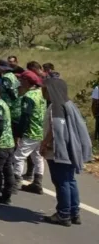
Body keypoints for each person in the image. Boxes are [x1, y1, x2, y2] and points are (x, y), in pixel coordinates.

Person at [40, 78, 93, 226]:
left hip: (59, 150)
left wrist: (44, 144)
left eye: (45, 89)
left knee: (61, 181)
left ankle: (63, 214)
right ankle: (74, 212)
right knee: (70, 180)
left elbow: (56, 129)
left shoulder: (56, 106)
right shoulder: (69, 104)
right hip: (72, 147)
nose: (43, 92)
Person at [14, 70, 47, 194]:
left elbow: (25, 117)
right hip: (41, 130)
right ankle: (37, 182)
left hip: (30, 131)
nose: (20, 83)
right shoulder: (41, 93)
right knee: (37, 157)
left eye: (21, 80)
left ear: (27, 81)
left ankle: (15, 180)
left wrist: (19, 134)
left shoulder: (28, 97)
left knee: (18, 157)